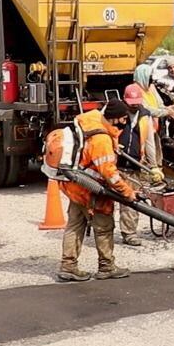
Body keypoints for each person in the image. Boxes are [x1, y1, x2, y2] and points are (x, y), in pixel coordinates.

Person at [57, 100, 137, 281]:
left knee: (75, 224)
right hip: (90, 189)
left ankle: (68, 266)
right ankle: (106, 266)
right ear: (116, 118)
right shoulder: (101, 140)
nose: (125, 121)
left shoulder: (92, 118)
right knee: (103, 226)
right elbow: (110, 174)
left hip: (75, 184)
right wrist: (128, 192)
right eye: (124, 118)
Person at [117, 85, 165, 246]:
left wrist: (154, 166)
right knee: (103, 200)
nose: (134, 105)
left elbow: (150, 141)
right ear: (125, 100)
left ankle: (129, 233)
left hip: (134, 165)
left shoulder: (145, 116)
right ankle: (99, 229)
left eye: (137, 102)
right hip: (113, 163)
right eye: (131, 102)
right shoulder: (116, 112)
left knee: (131, 198)